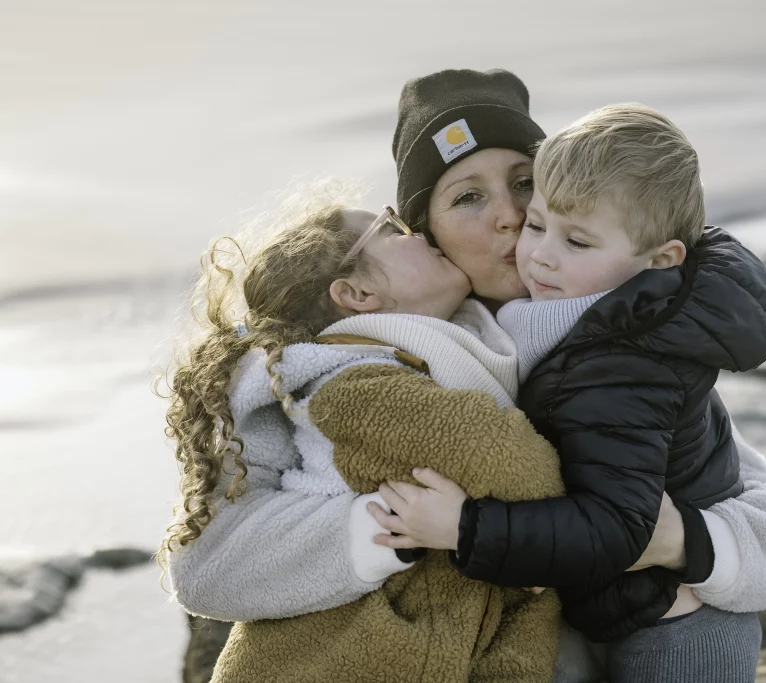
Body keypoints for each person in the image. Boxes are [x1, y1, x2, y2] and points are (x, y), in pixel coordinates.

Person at [165, 68, 766, 683]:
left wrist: (685, 539)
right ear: (426, 234)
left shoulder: (616, 335)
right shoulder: (337, 365)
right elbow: (206, 563)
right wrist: (401, 525)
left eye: (526, 183)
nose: (509, 215)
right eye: (468, 196)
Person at [373, 102, 766, 682]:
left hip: (673, 631)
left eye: (577, 242)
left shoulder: (619, 361)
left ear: (659, 259)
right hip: (617, 612)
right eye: (540, 224)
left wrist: (465, 528)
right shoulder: (565, 326)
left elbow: (620, 525)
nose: (536, 249)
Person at [163, 191, 572, 682]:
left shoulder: (461, 355)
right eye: (393, 229)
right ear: (356, 295)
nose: (418, 233)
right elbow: (507, 460)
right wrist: (593, 518)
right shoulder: (357, 386)